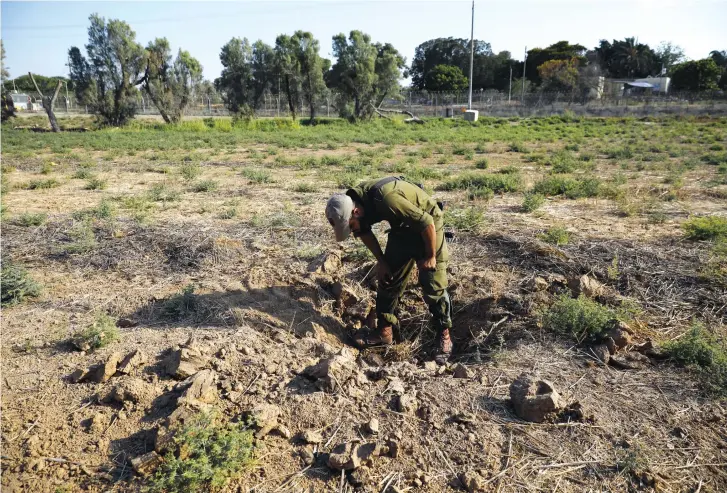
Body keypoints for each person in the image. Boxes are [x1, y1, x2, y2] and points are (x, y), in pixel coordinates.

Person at [325, 176, 453, 364]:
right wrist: (382, 261)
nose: (352, 231)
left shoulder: (386, 199)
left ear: (356, 211)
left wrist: (431, 256)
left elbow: (426, 222)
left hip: (428, 225)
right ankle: (384, 332)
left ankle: (445, 335)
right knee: (388, 278)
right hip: (402, 228)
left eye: (351, 226)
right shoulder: (356, 203)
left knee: (433, 283)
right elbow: (364, 231)